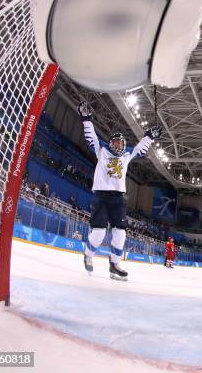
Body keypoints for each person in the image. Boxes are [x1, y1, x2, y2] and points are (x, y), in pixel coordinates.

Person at [78, 101, 161, 281]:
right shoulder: (101, 149)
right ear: (110, 142)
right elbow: (91, 136)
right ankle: (88, 254)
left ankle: (114, 265)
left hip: (117, 198)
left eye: (120, 142)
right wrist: (86, 119)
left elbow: (140, 149)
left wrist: (150, 137)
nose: (117, 145)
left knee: (121, 234)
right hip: (101, 196)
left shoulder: (127, 154)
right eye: (114, 141)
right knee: (99, 233)